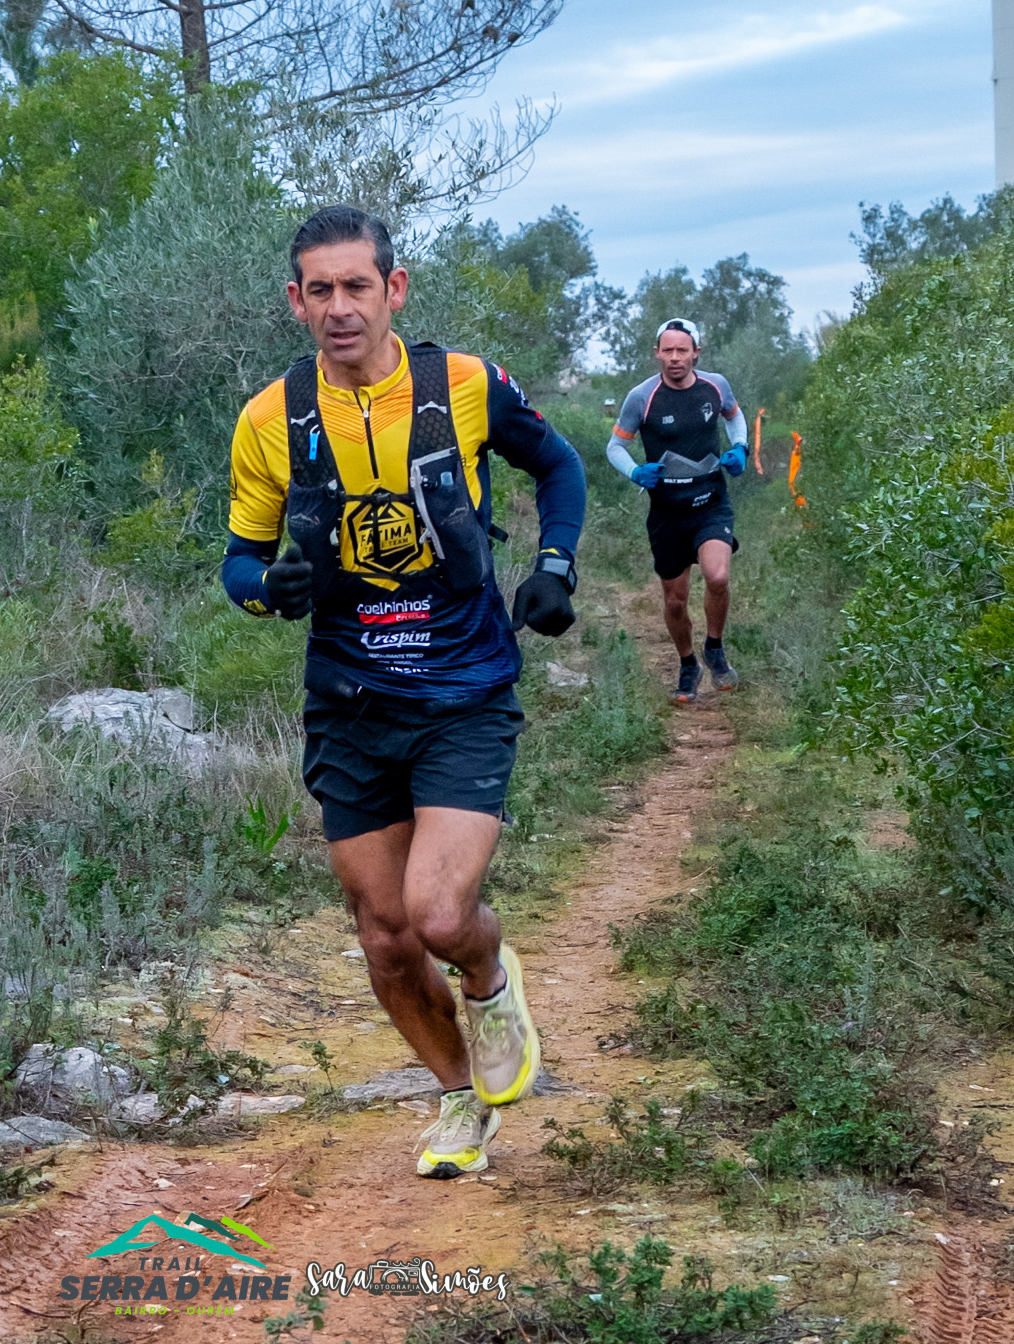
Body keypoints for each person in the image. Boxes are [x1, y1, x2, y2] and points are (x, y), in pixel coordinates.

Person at [221, 206, 587, 1179]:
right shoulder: (270, 420)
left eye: (358, 286)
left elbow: (558, 463)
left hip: (464, 688)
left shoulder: (460, 386)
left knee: (434, 914)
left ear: (395, 287)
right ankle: (458, 1101)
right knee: (384, 939)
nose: (341, 308)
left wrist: (555, 564)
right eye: (321, 291)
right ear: (295, 301)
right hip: (349, 701)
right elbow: (240, 563)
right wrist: (270, 592)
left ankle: (488, 977)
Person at [605, 318, 749, 703]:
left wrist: (740, 448)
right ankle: (688, 665)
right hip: (668, 513)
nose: (674, 358)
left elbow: (734, 416)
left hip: (710, 502)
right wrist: (635, 471)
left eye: (681, 350)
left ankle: (714, 648)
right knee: (675, 600)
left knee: (718, 577)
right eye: (666, 351)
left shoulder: (715, 386)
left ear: (695, 352)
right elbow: (614, 447)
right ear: (657, 353)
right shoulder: (641, 397)